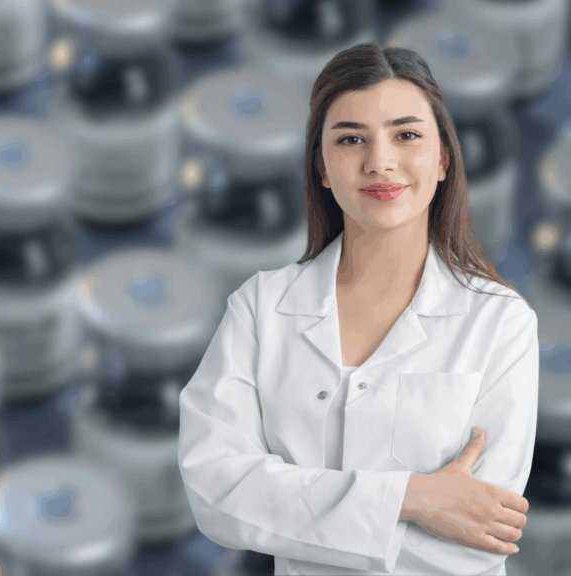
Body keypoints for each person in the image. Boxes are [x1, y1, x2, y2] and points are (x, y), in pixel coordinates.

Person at [178, 42, 538, 576]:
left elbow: (480, 533)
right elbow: (217, 491)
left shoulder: (500, 323)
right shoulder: (262, 307)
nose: (380, 162)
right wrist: (414, 498)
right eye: (350, 139)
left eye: (406, 135)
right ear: (322, 167)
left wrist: (288, 507)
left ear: (442, 160)